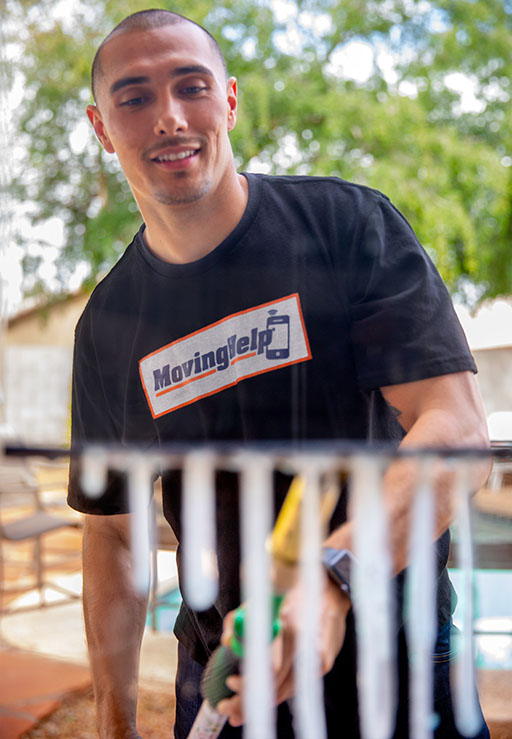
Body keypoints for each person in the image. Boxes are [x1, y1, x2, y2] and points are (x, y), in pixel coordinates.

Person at [67, 9, 491, 738]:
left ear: (228, 100)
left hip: (399, 664)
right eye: (134, 97)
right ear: (103, 128)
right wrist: (114, 719)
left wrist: (330, 578)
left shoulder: (347, 228)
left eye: (190, 86)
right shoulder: (107, 326)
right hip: (221, 682)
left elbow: (456, 431)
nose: (169, 117)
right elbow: (113, 534)